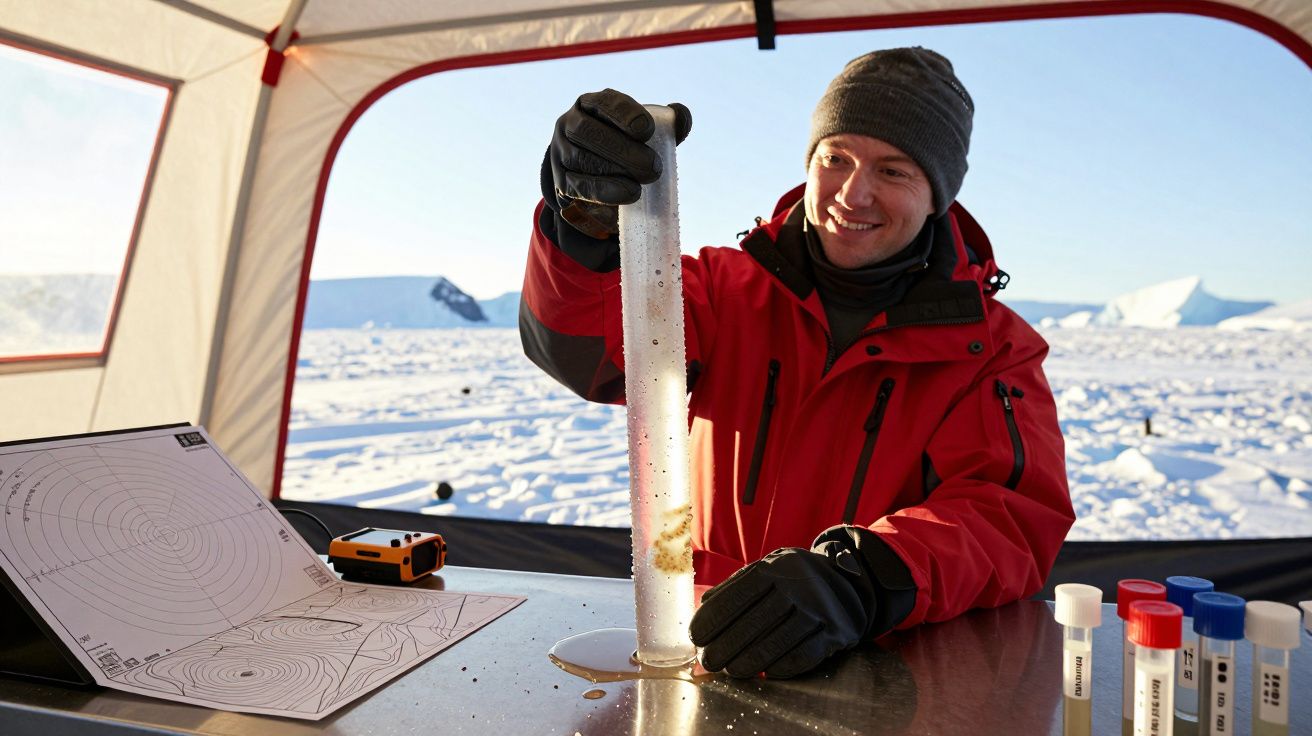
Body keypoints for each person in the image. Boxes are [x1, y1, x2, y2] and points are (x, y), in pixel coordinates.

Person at [520, 47, 1075, 678]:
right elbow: (590, 355)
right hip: (700, 643)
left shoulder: (993, 350)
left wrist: (863, 579)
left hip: (877, 672)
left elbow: (1008, 518)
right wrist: (583, 227)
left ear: (937, 195)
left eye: (894, 171)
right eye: (835, 158)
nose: (853, 192)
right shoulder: (720, 291)